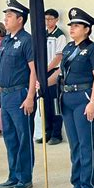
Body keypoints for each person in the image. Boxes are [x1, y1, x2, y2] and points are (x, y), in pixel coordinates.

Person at [48, 7, 94, 188]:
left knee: (85, 143)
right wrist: (43, 80)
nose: (72, 28)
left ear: (87, 29)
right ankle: (77, 184)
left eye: (77, 25)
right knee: (74, 145)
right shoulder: (68, 48)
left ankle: (88, 186)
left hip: (84, 98)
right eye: (71, 25)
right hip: (67, 99)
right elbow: (60, 73)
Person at [0, 0, 37, 188]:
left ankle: (25, 176)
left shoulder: (27, 40)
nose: (6, 18)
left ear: (20, 19)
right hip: (5, 95)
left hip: (20, 94)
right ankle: (13, 175)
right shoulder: (5, 41)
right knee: (10, 137)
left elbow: (33, 70)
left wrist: (30, 96)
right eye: (5, 15)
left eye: (10, 15)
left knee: (23, 137)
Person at [35, 8, 66, 145]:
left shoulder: (60, 35)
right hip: (42, 73)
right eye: (46, 19)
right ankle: (46, 132)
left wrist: (46, 69)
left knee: (54, 104)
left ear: (56, 20)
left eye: (50, 19)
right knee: (44, 104)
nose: (48, 22)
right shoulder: (42, 34)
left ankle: (56, 134)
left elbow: (59, 56)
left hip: (53, 72)